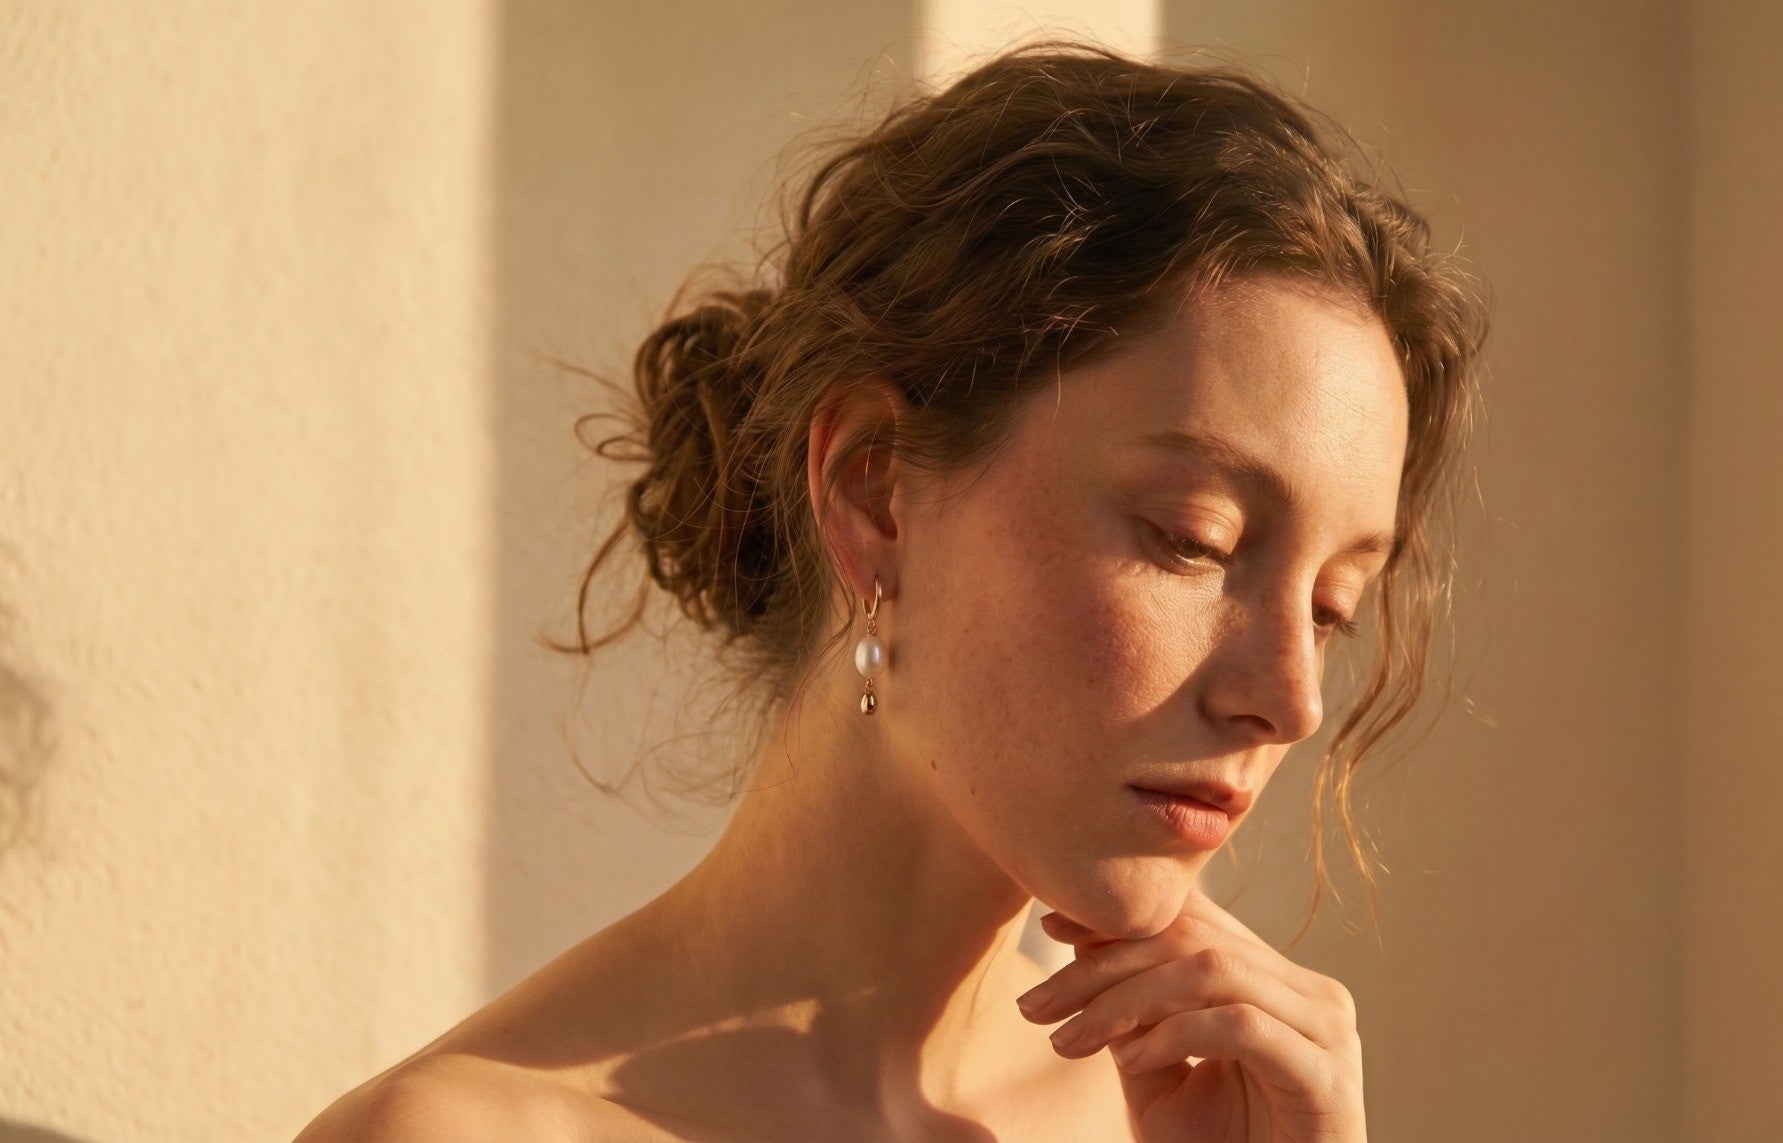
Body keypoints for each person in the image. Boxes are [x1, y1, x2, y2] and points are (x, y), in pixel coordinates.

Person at [298, 38, 1485, 1143]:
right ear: (877, 496)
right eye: (1192, 538)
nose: (1289, 699)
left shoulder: (1199, 1116)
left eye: (1330, 607)